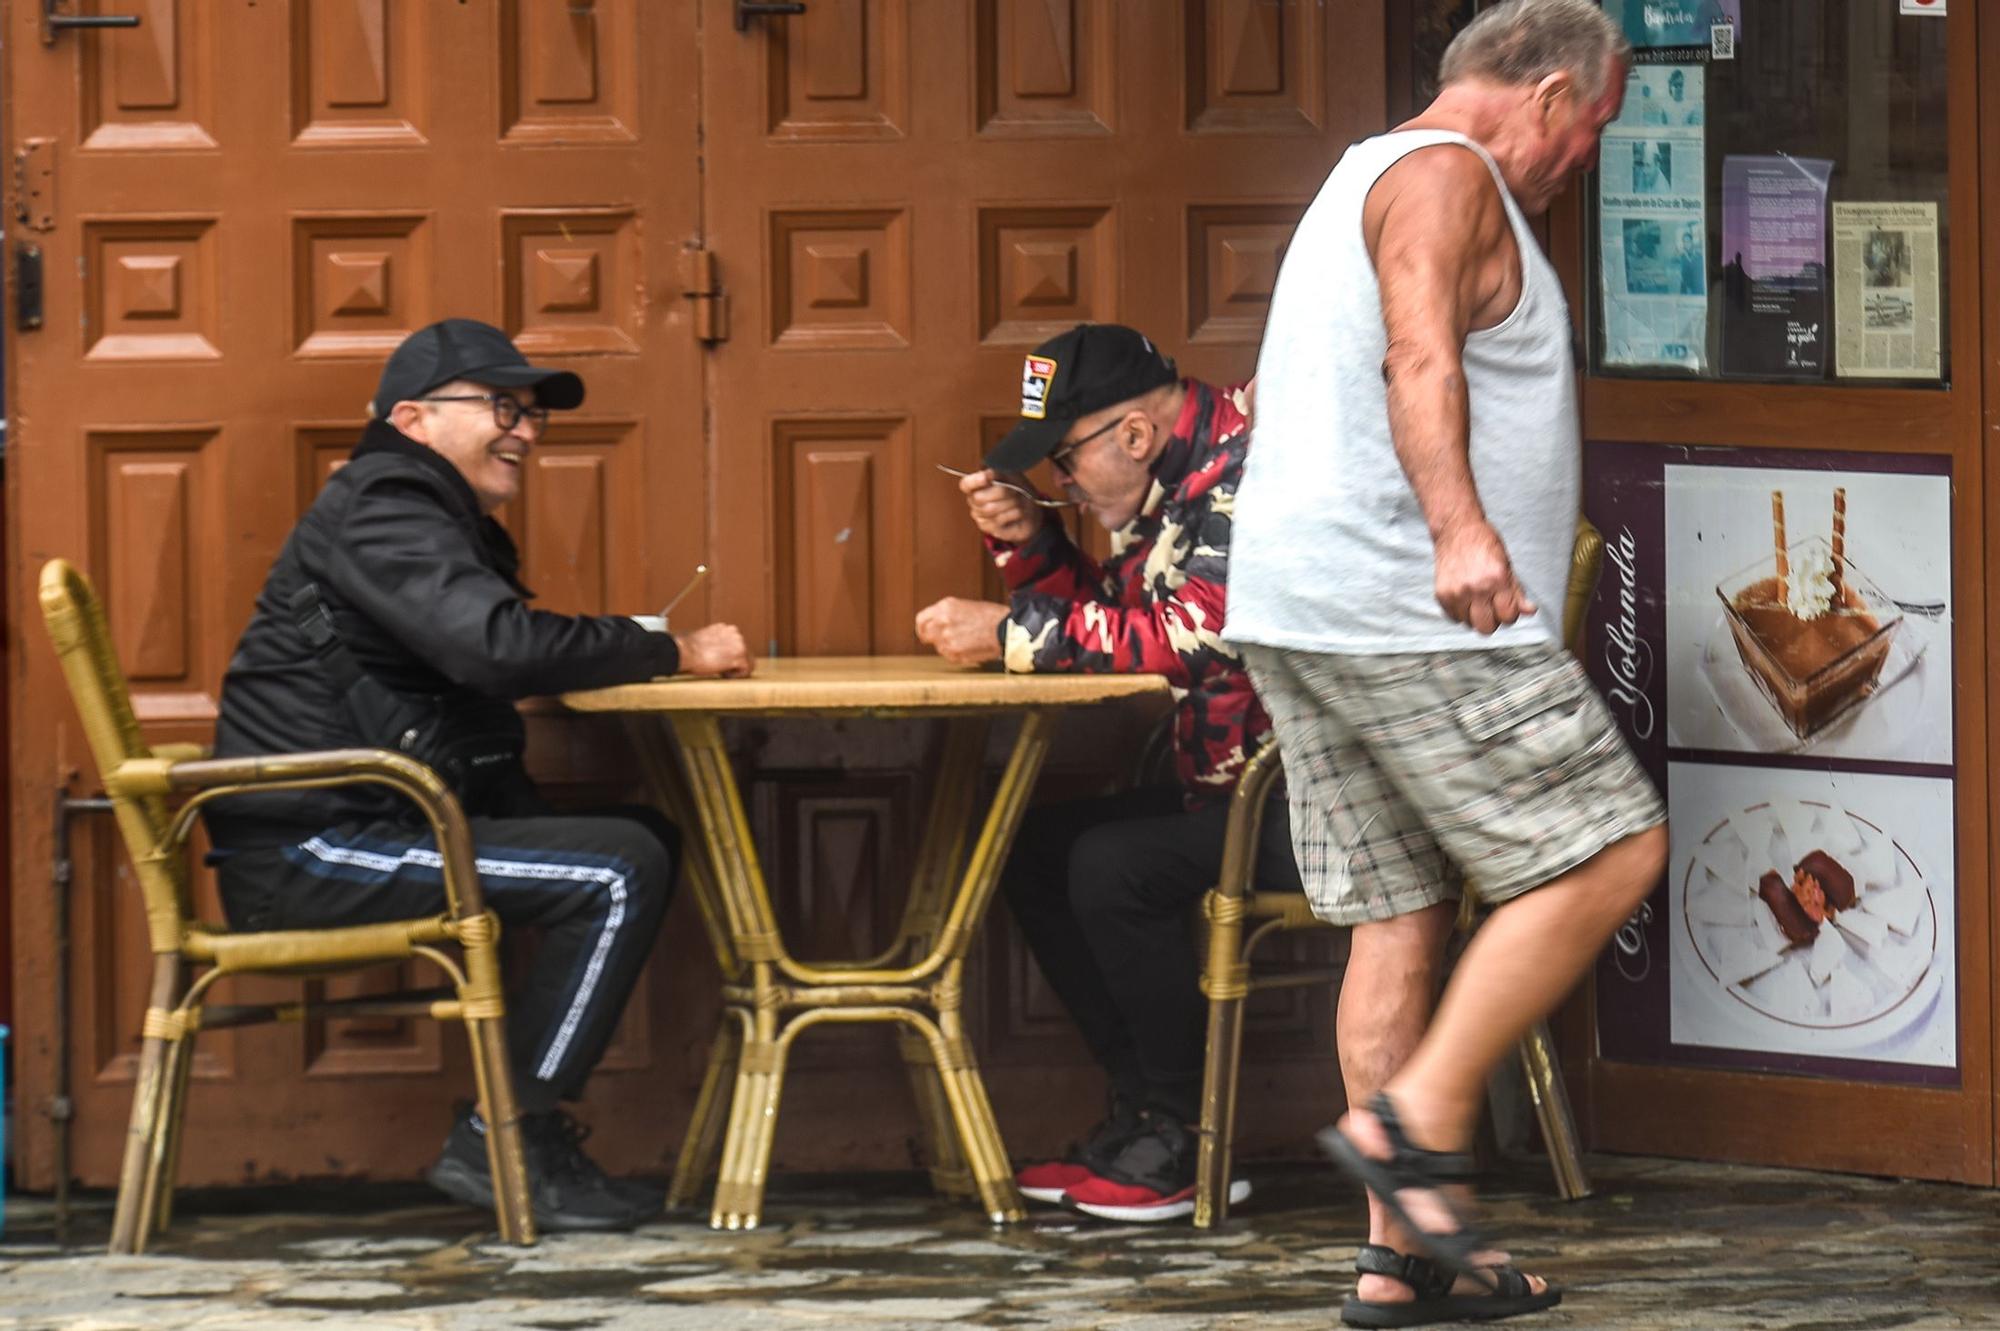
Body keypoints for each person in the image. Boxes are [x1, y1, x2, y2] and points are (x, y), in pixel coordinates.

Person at [1229, 1, 1663, 1325]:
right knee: (1608, 851)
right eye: (1589, 130)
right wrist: (1462, 529)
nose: (1582, 159)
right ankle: (1411, 1124)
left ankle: (1399, 1254)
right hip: (1410, 608)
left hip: (1304, 607)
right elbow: (1417, 349)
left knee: (1398, 917)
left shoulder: (1361, 167)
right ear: (1541, 94)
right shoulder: (1445, 178)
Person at [204, 318, 754, 1232]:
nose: (527, 430)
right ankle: (511, 1137)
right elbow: (494, 648)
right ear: (415, 418)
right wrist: (668, 648)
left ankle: (513, 1134)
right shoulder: (388, 500)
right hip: (315, 845)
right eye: (503, 406)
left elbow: (472, 663)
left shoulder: (417, 508)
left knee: (638, 841)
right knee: (619, 868)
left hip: (366, 824)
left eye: (532, 413)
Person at [913, 323, 1301, 1223]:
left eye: (1062, 464)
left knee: (1109, 865)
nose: (1061, 484)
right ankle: (1147, 1116)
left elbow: (1189, 637)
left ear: (1131, 434)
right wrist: (1029, 542)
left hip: (1323, 803)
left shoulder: (1253, 474)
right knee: (1039, 850)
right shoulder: (1172, 483)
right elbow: (1110, 621)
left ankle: (1186, 1139)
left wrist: (1009, 635)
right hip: (1238, 792)